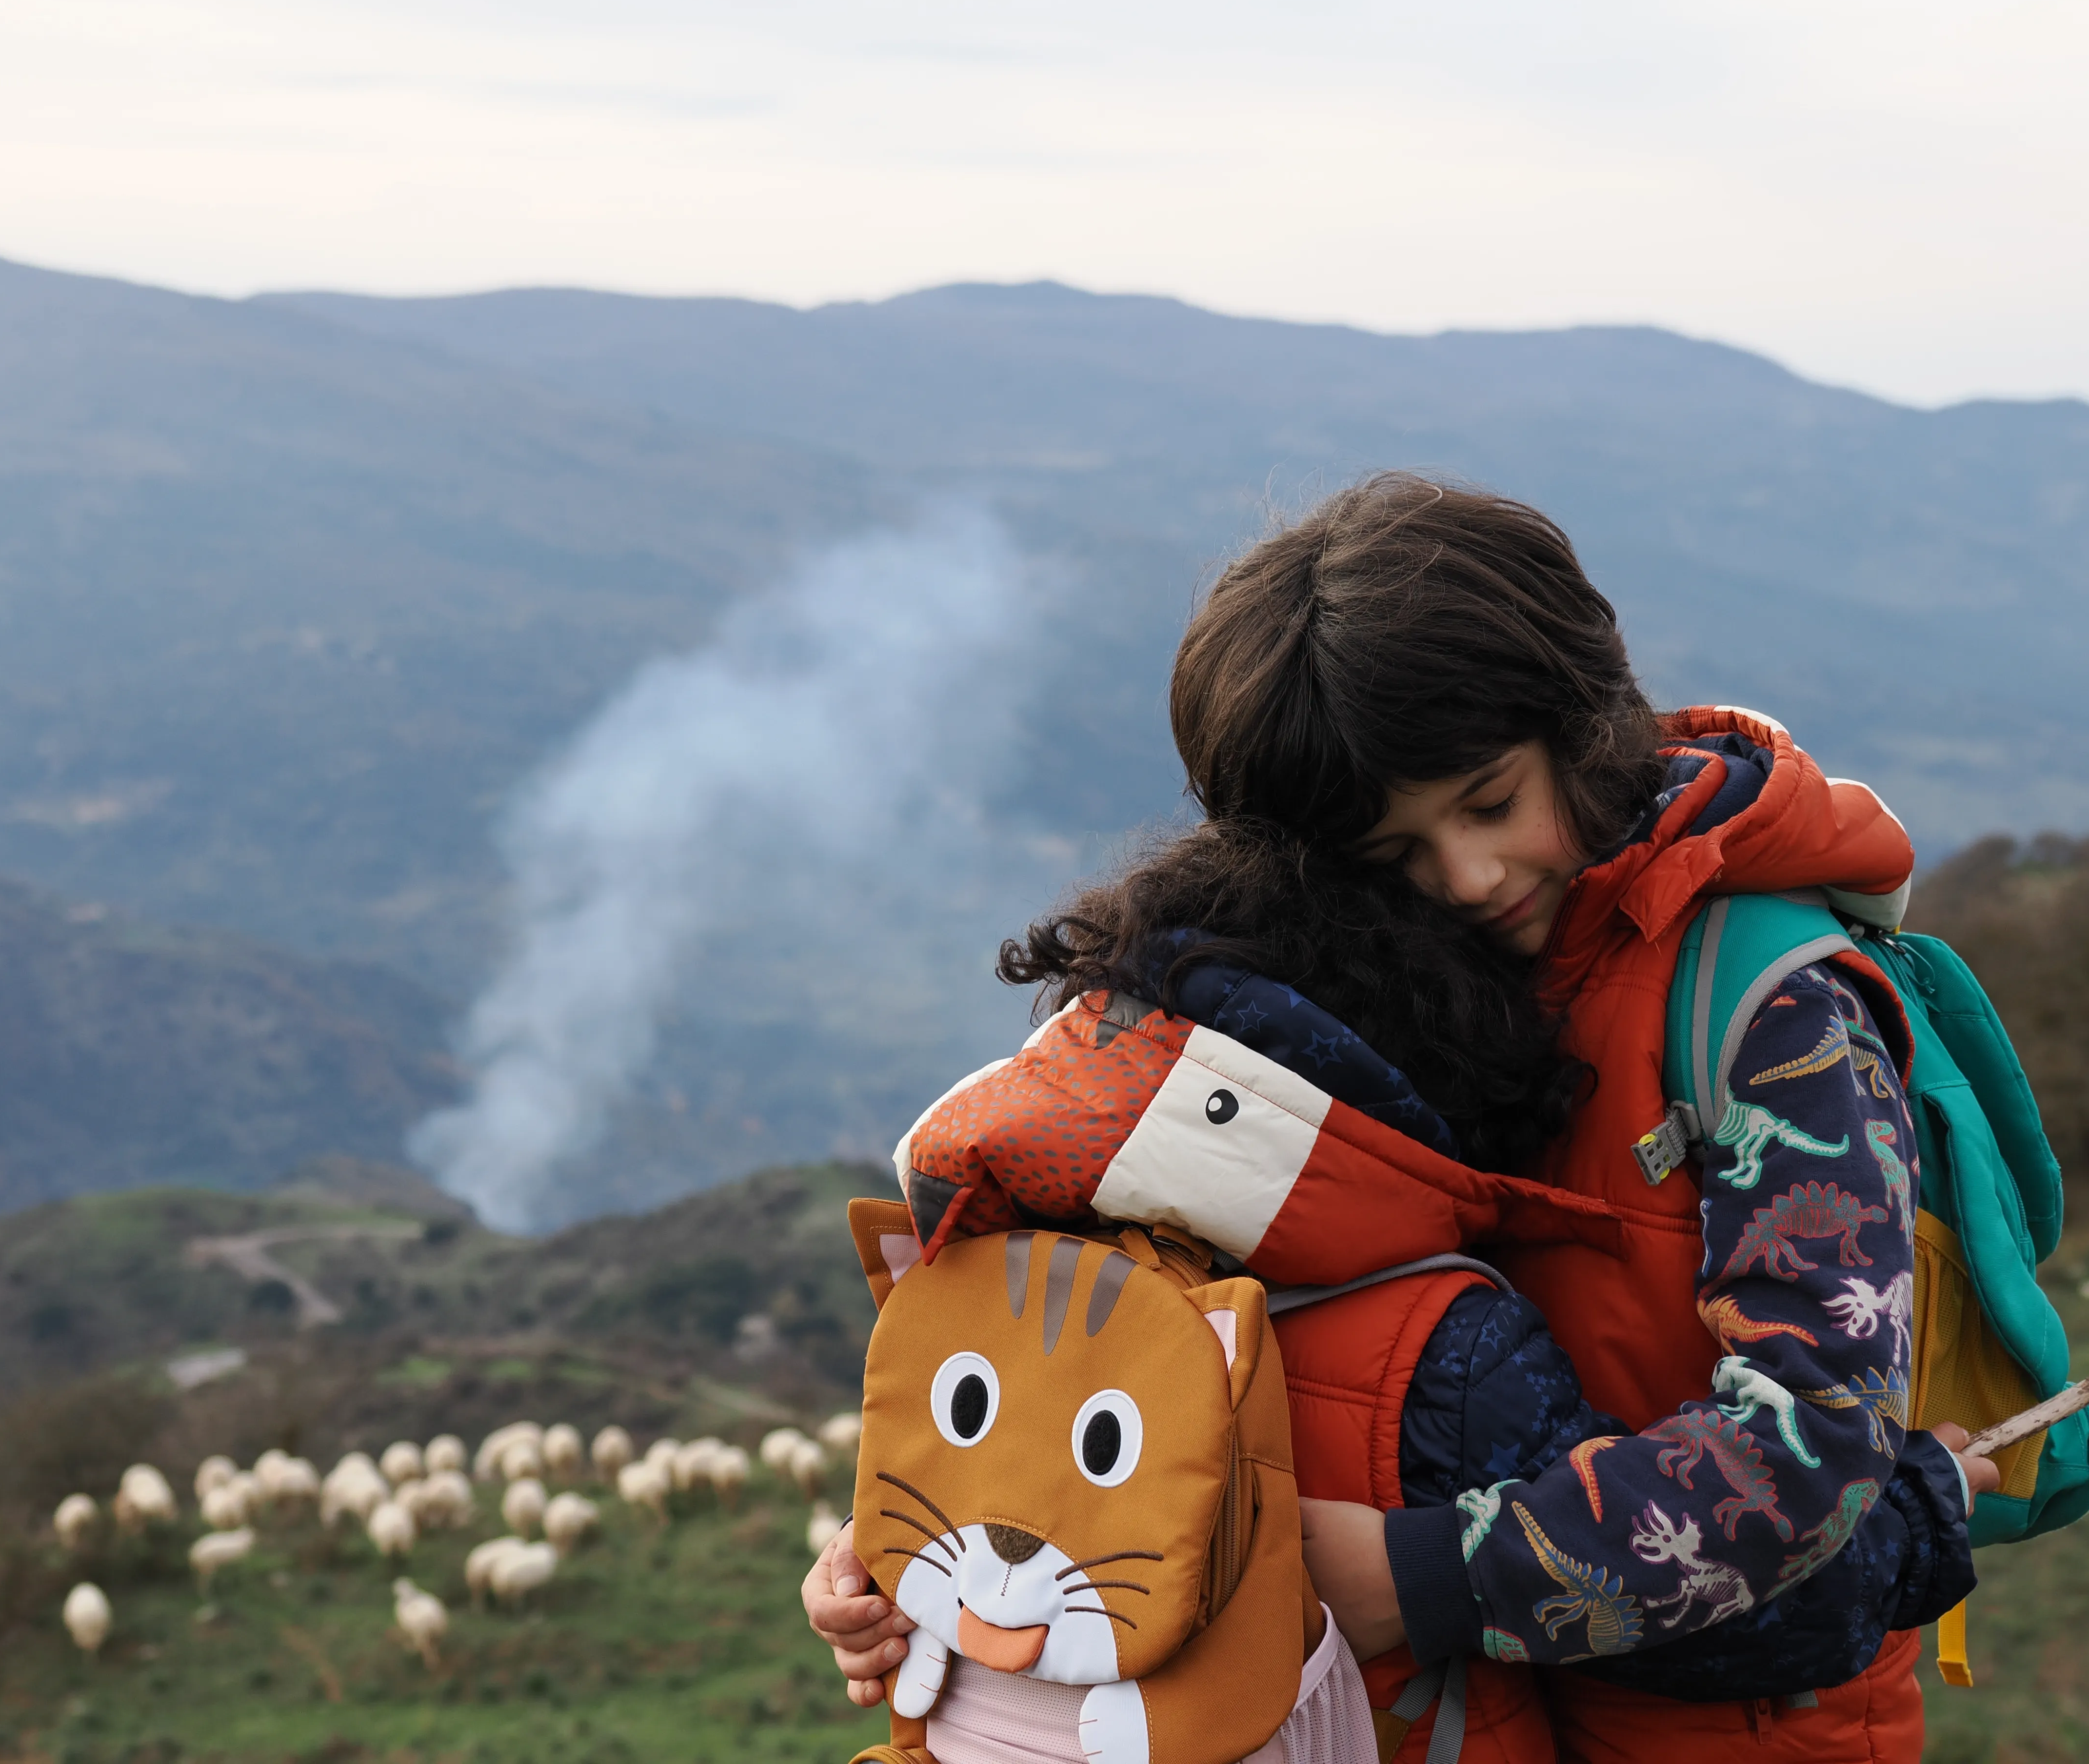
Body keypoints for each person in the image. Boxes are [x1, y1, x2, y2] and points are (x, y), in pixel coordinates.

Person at [806, 473, 1994, 1759]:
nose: (1471, 877)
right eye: (1396, 853)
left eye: (1492, 801)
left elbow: (1813, 1451)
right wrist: (924, 1550)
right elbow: (1163, 1343)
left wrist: (1432, 1576)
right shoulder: (1383, 997)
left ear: (1580, 720)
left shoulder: (1769, 1014)